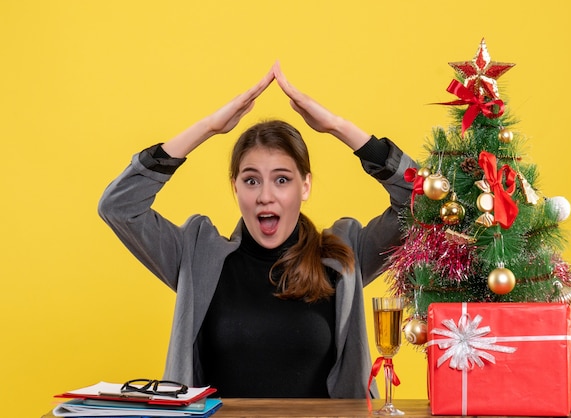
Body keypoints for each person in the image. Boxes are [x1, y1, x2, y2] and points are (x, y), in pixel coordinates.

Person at [98, 62, 417, 398]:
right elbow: (119, 207)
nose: (266, 196)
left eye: (282, 180)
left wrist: (339, 128)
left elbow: (422, 200)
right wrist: (207, 128)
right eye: (251, 180)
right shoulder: (196, 256)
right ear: (235, 187)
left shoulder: (344, 255)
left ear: (304, 186)